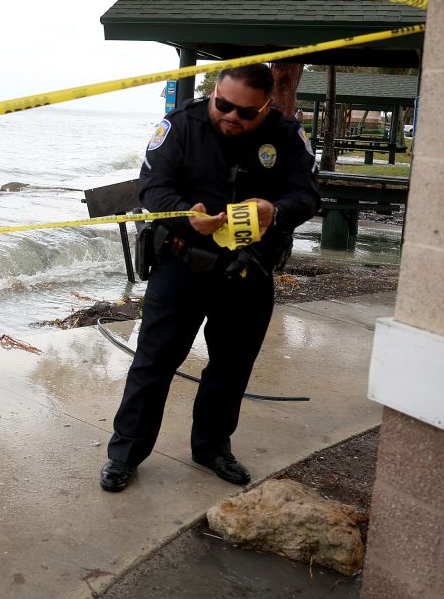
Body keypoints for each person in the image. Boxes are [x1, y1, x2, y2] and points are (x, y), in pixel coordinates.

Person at [100, 63, 319, 491]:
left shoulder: (288, 136)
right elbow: (151, 186)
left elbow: (308, 193)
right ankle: (125, 453)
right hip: (182, 264)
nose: (232, 117)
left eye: (246, 112)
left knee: (232, 367)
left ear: (267, 106)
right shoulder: (181, 125)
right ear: (214, 92)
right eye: (223, 105)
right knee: (153, 363)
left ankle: (212, 448)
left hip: (248, 270)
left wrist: (276, 210)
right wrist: (185, 214)